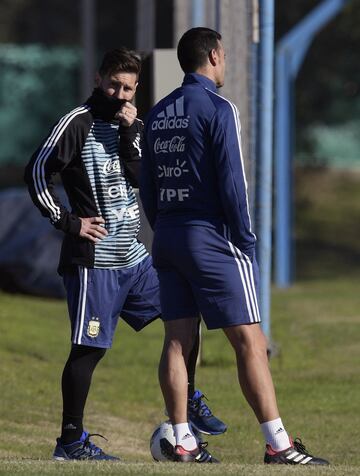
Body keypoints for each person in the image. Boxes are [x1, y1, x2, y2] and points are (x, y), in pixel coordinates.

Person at [24, 46, 225, 462]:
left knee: (186, 319)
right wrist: (69, 222)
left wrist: (135, 133)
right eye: (114, 84)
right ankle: (71, 441)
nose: (120, 94)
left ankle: (187, 399)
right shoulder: (76, 122)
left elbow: (140, 176)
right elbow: (37, 170)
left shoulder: (134, 123)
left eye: (129, 88)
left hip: (134, 258)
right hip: (93, 262)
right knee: (89, 349)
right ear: (98, 79)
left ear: (137, 89)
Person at [140, 27, 330, 465]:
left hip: (167, 235)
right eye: (223, 55)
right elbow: (232, 182)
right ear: (213, 55)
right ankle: (278, 445)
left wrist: (164, 228)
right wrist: (245, 241)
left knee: (176, 340)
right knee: (251, 341)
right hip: (209, 235)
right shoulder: (218, 108)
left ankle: (183, 440)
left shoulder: (158, 113)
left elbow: (147, 187)